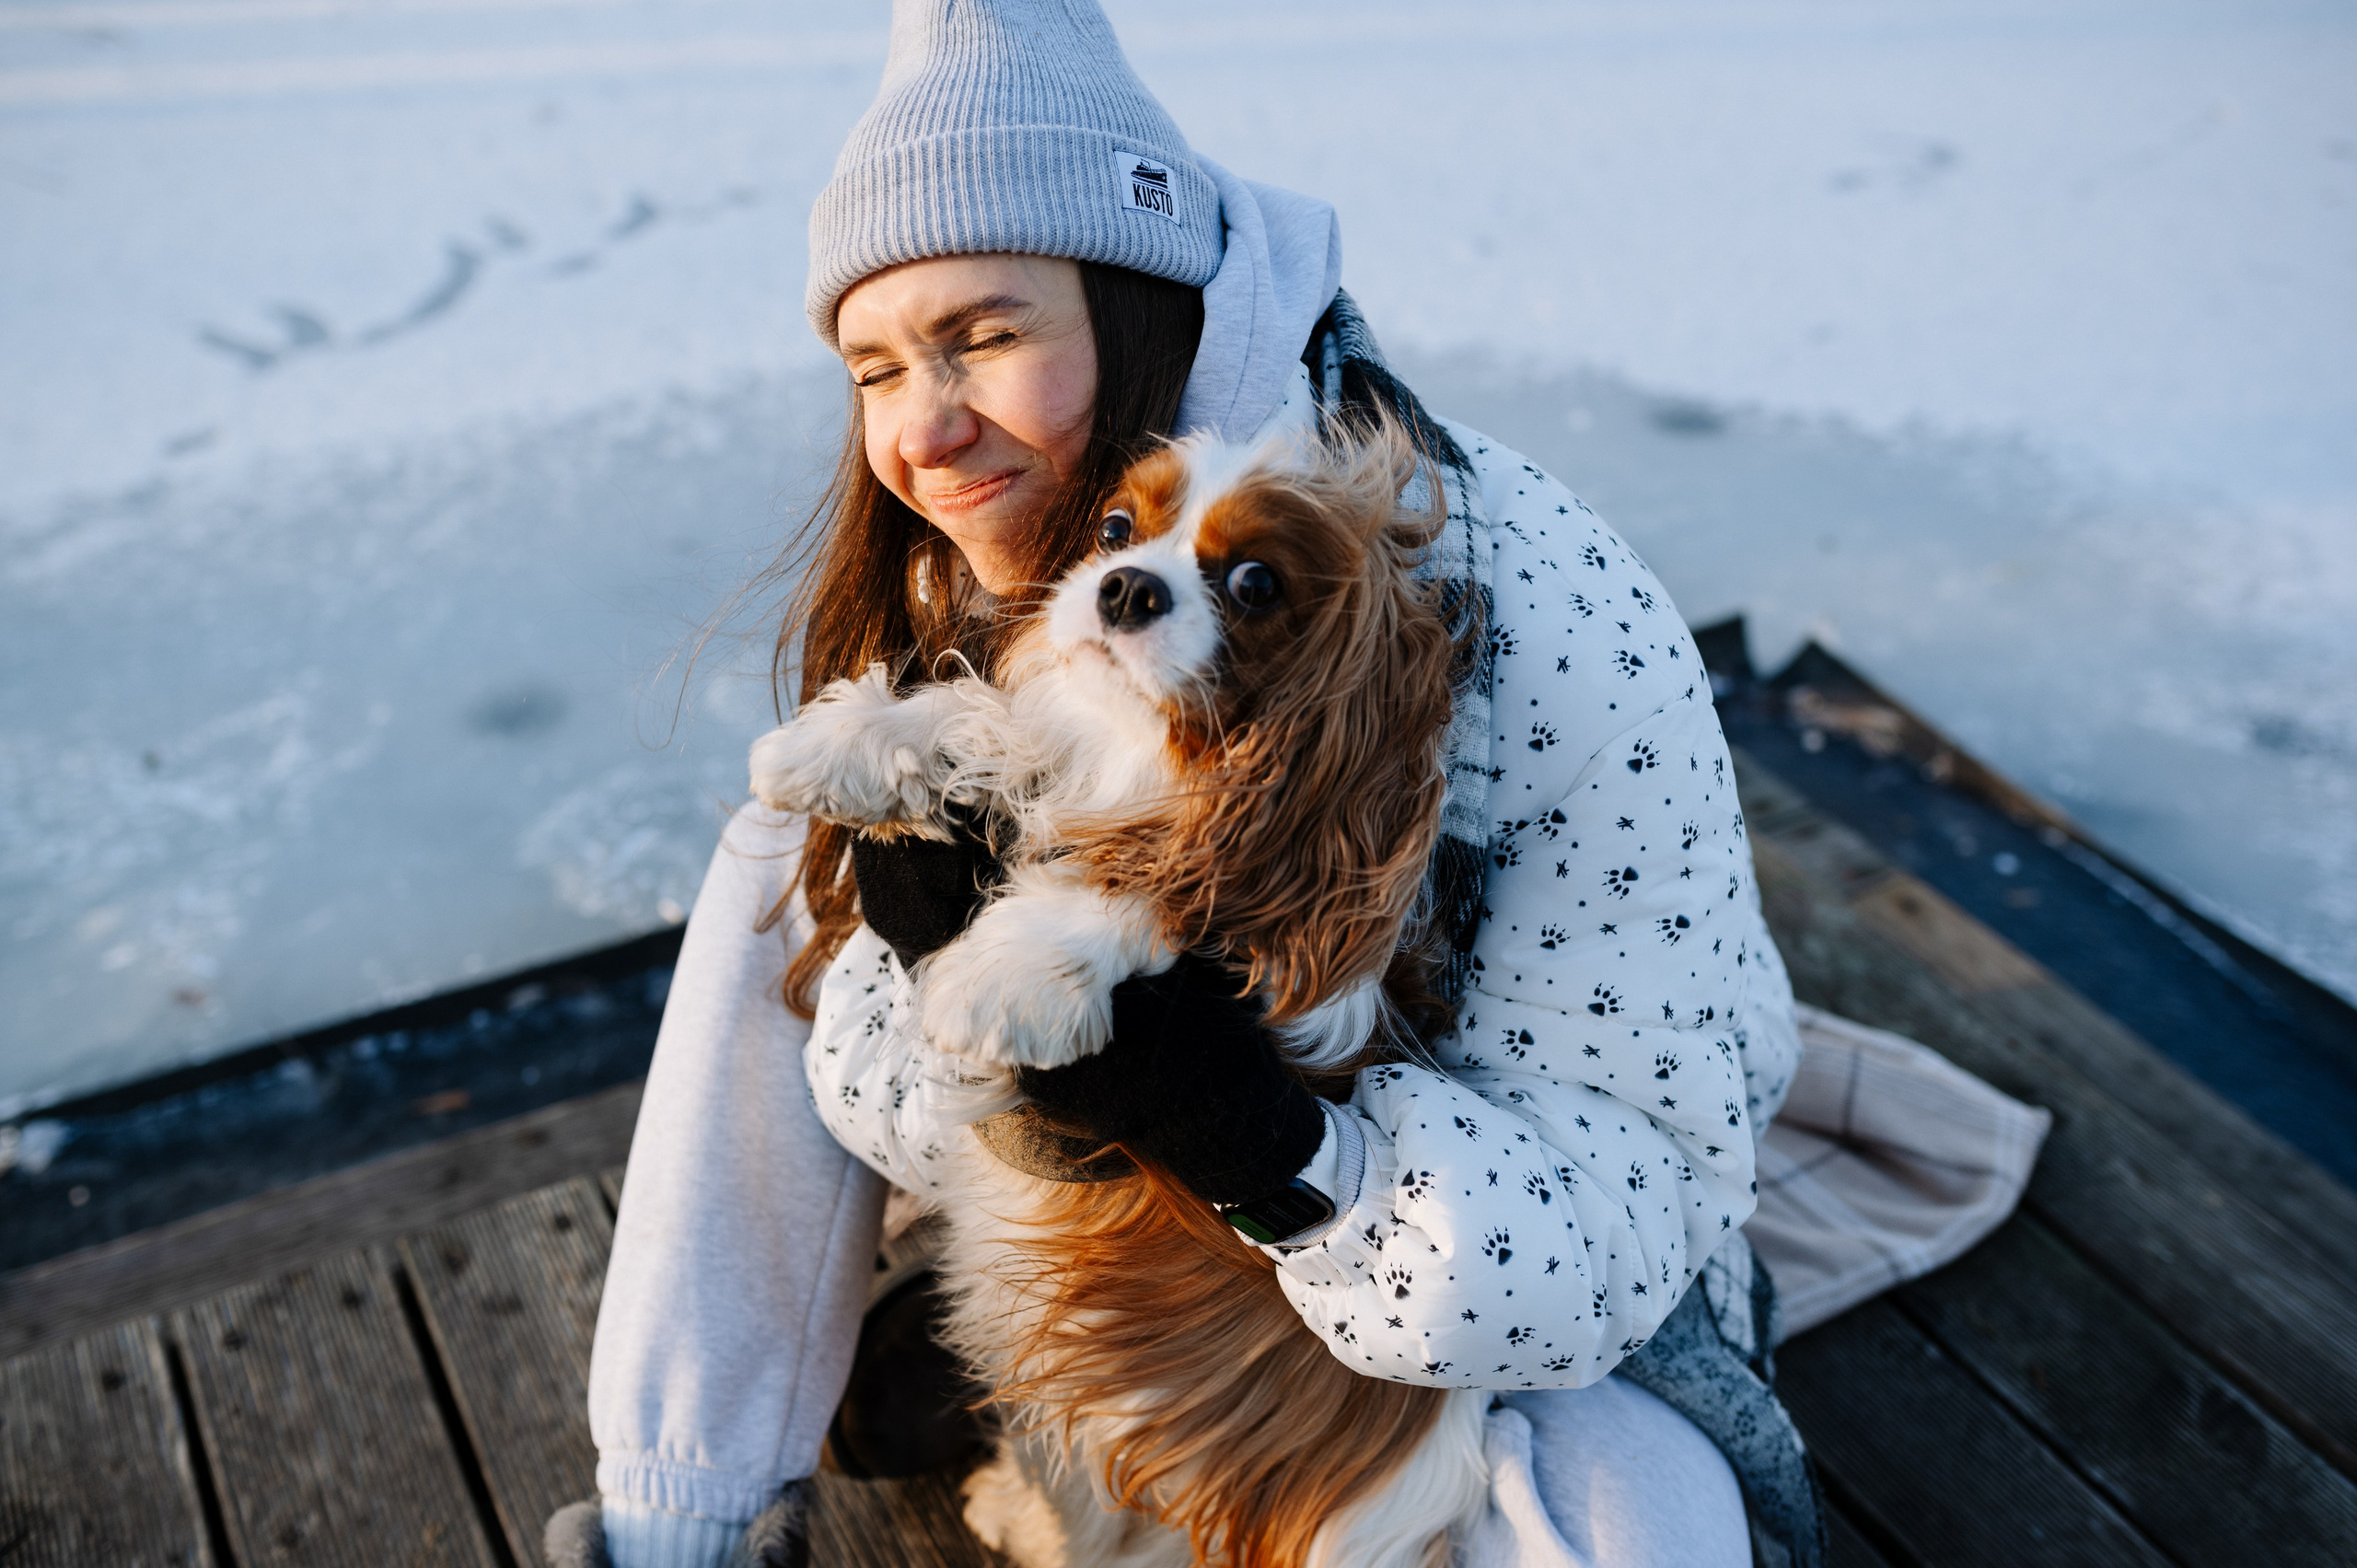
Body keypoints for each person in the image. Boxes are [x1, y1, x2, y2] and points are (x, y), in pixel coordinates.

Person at [552, 4, 1821, 1565]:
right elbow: (883, 1095)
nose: (926, 432)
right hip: (1122, 1251)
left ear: (1146, 306)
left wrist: (1276, 1151)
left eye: (986, 335)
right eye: (875, 370)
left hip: (1527, 1263)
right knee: (778, 851)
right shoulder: (1003, 559)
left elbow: (1614, 1228)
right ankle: (689, 1514)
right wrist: (1000, 1028)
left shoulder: (1546, 599)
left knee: (1648, 1536)